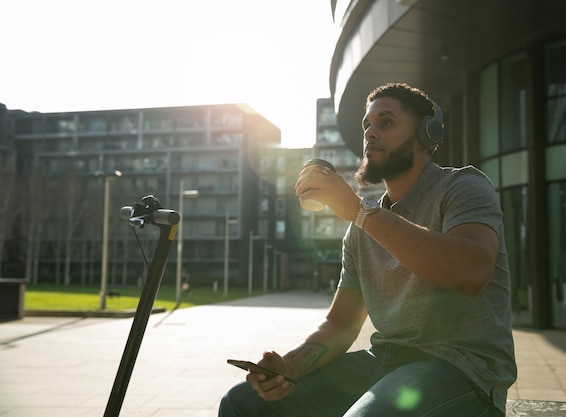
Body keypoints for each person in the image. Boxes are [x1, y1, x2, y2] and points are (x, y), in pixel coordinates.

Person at [218, 82, 517, 416]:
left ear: (424, 134)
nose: (370, 133)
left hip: (462, 369)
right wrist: (290, 367)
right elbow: (342, 323)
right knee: (240, 405)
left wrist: (360, 211)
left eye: (385, 122)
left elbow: (471, 272)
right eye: (367, 126)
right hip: (385, 361)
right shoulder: (361, 227)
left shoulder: (462, 186)